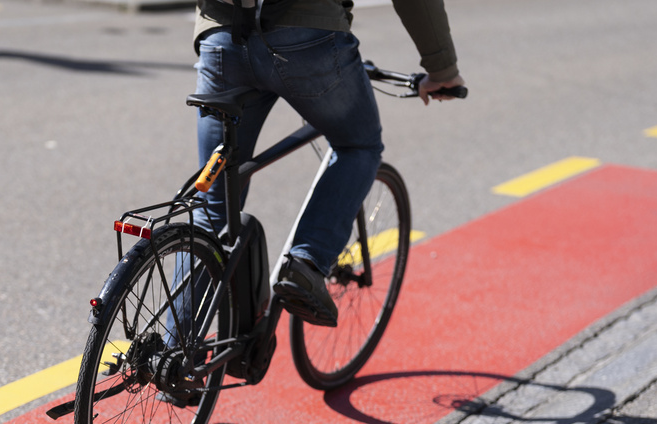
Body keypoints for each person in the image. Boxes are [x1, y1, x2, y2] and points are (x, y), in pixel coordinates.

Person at [191, 0, 464, 327]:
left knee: (213, 205)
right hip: (310, 38)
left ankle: (171, 352)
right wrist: (442, 70)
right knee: (358, 145)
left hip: (221, 37)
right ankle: (306, 262)